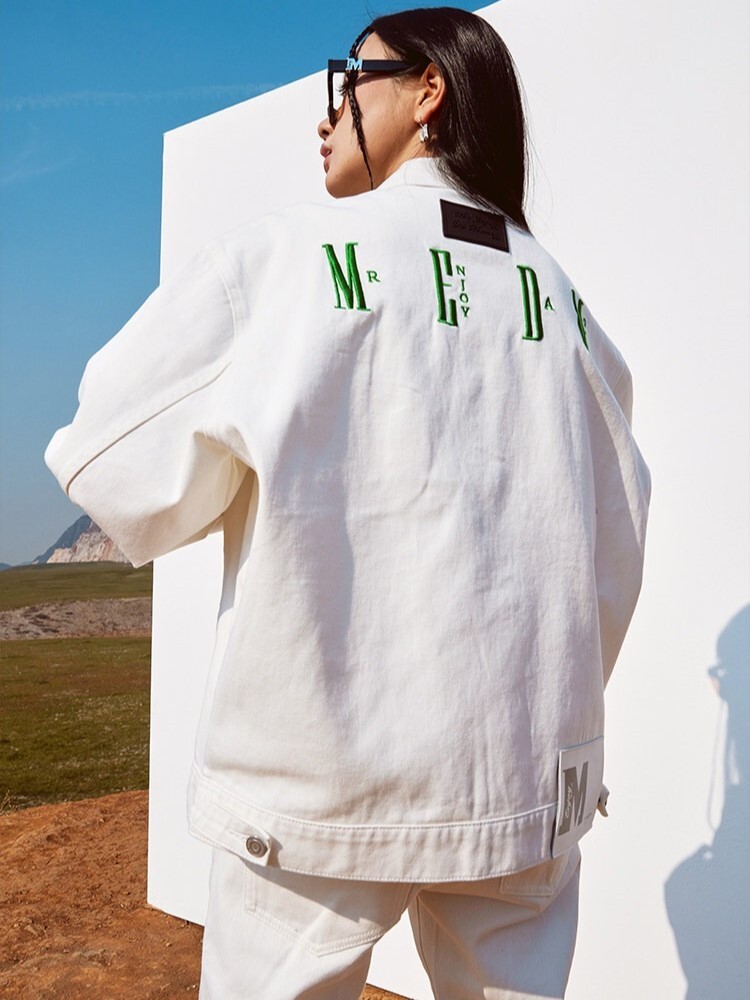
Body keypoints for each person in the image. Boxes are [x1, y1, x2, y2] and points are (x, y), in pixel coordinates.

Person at [45, 7, 650, 998]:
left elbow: (109, 462)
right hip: (524, 773)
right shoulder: (570, 308)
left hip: (318, 768)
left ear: (429, 91)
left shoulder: (283, 260)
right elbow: (617, 549)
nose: (327, 115)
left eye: (350, 78)